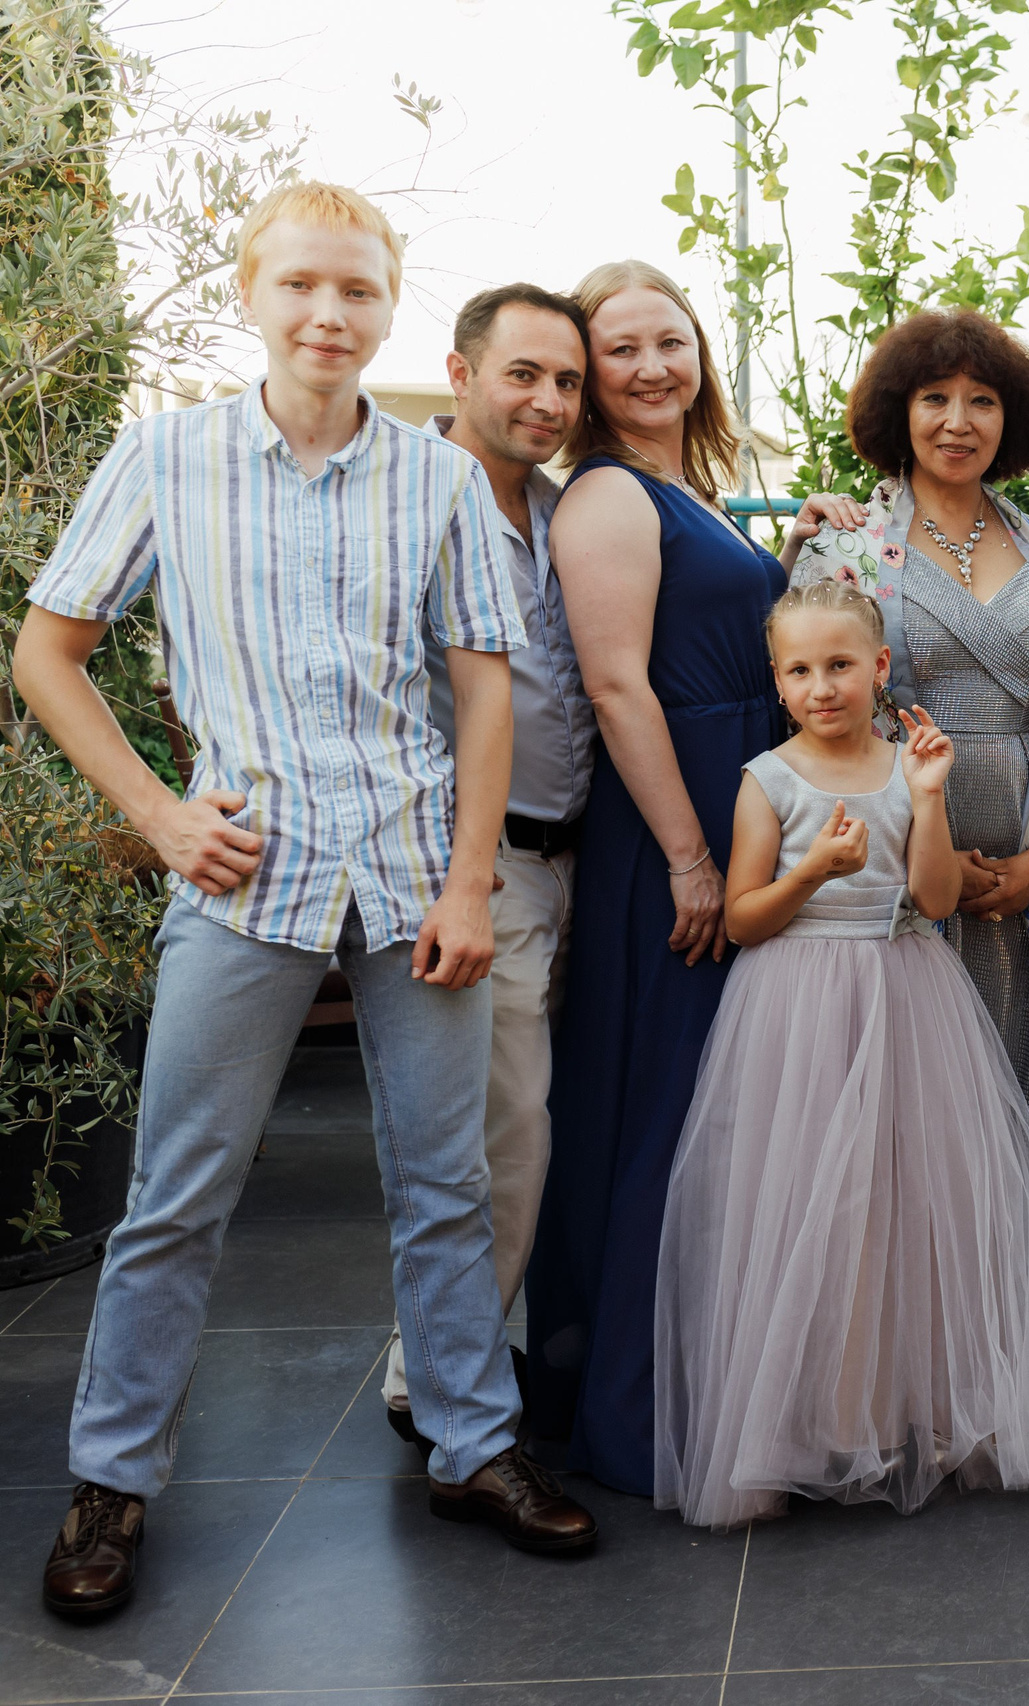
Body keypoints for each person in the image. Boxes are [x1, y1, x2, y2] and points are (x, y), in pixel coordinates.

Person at [19, 183, 596, 1617]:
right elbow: (48, 650)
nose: (329, 315)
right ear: (251, 293)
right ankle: (113, 1479)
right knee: (173, 1197)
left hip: (413, 881)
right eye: (301, 288)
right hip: (242, 880)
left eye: (357, 291)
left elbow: (480, 684)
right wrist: (155, 814)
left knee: (446, 1186)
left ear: (390, 307)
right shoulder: (163, 457)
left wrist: (472, 882)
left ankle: (472, 1442)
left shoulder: (439, 478)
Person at [654, 581, 1029, 1527]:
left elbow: (933, 899)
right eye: (800, 670)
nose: (822, 686)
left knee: (900, 1198)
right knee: (805, 1200)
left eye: (840, 665)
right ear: (778, 680)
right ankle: (811, 1419)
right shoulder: (769, 778)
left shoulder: (907, 768)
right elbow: (749, 917)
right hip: (797, 1006)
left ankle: (901, 1409)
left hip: (908, 992)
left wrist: (928, 802)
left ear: (878, 668)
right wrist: (811, 872)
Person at [522, 259, 791, 1495]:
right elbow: (619, 683)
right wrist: (690, 853)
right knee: (668, 1112)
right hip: (674, 825)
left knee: (727, 1110)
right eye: (617, 348)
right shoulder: (608, 498)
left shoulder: (697, 492)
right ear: (590, 374)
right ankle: (645, 1400)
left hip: (737, 804)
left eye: (668, 341)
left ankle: (730, 1372)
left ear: (700, 355)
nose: (648, 368)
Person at [786, 309, 1029, 1168]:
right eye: (935, 398)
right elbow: (817, 727)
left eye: (983, 400)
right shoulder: (846, 549)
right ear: (900, 410)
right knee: (909, 1133)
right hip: (900, 883)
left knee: (1016, 1135)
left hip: (1025, 885)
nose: (958, 422)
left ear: (1015, 419)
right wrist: (929, 859)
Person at [383, 282, 597, 1449]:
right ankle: (437, 1382)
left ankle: (448, 1353)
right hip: (474, 863)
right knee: (503, 1133)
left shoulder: (561, 511)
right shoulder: (402, 499)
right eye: (523, 373)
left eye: (567, 380)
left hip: (571, 863)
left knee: (512, 1129)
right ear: (460, 374)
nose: (549, 399)